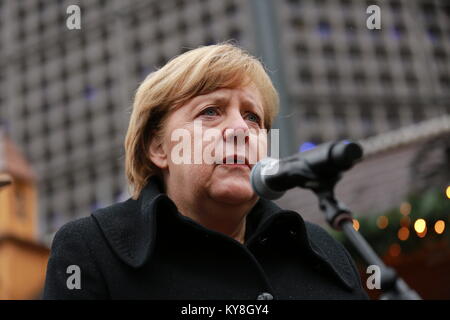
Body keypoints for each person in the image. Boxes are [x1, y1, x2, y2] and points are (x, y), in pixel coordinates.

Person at [43, 42, 368, 299]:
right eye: (211, 111)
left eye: (253, 118)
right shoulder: (91, 250)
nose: (241, 129)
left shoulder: (324, 253)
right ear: (158, 148)